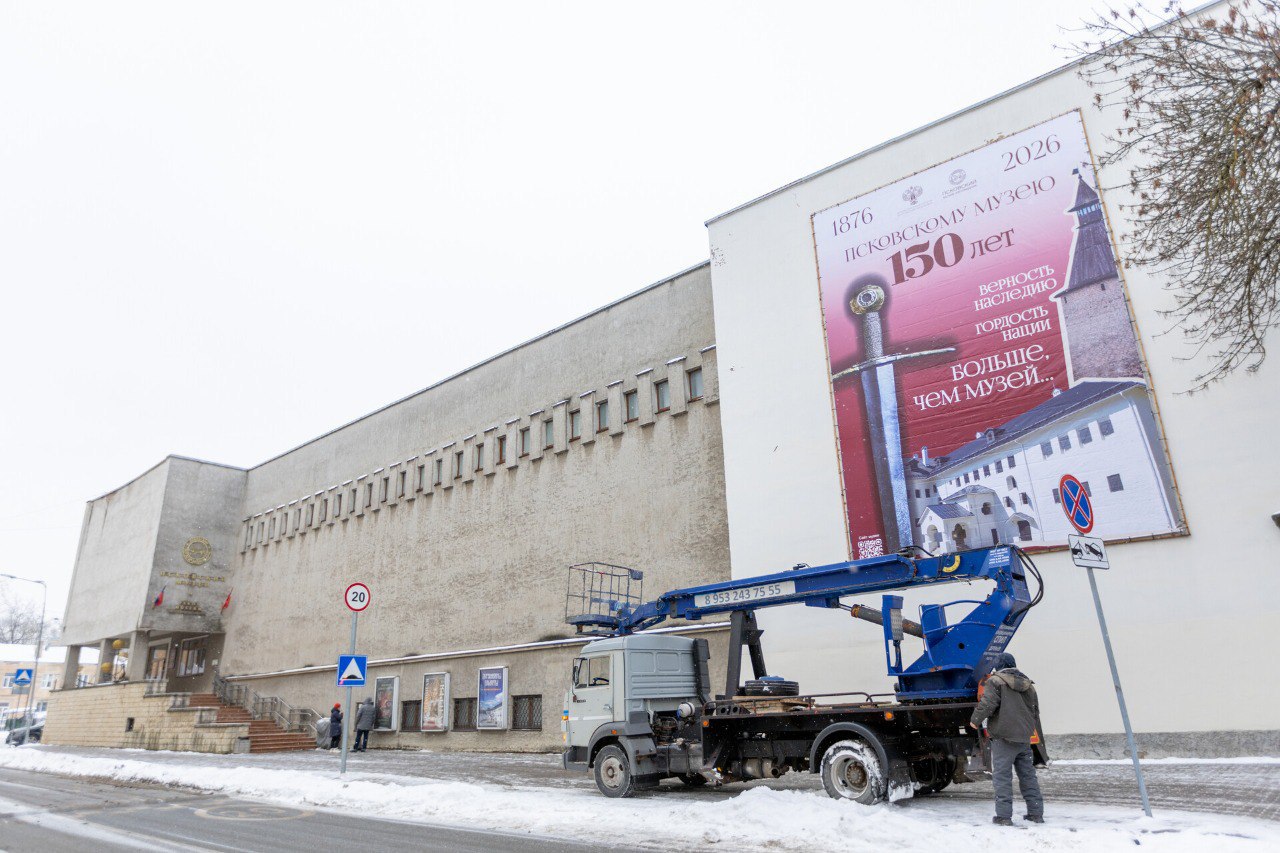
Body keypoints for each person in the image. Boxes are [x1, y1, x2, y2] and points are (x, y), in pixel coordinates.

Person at [969, 652, 1047, 826]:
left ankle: (1004, 817)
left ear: (999, 665)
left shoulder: (995, 682)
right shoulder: (1028, 684)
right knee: (1028, 776)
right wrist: (1026, 729)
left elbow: (988, 704)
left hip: (1003, 737)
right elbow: (1035, 712)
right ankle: (1036, 813)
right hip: (1024, 738)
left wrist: (975, 721)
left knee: (1002, 777)